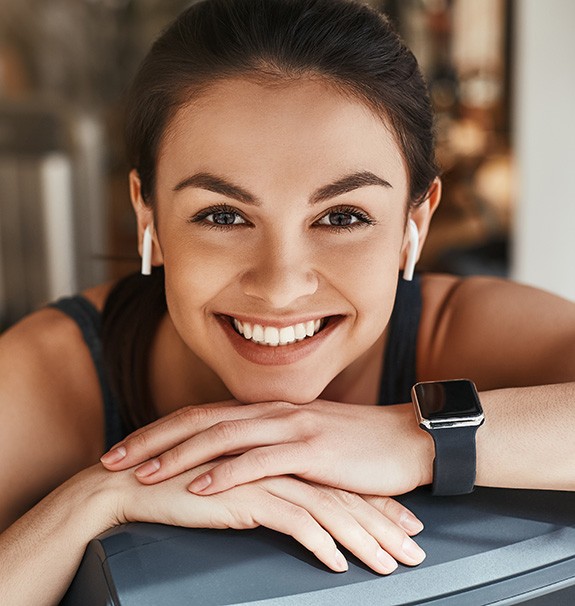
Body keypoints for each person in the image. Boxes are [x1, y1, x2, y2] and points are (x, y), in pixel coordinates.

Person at [1, 0, 574, 603]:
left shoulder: (458, 330)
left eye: (343, 216)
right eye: (222, 215)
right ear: (148, 213)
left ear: (415, 222)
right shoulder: (48, 374)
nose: (280, 286)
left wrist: (415, 439)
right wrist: (92, 501)